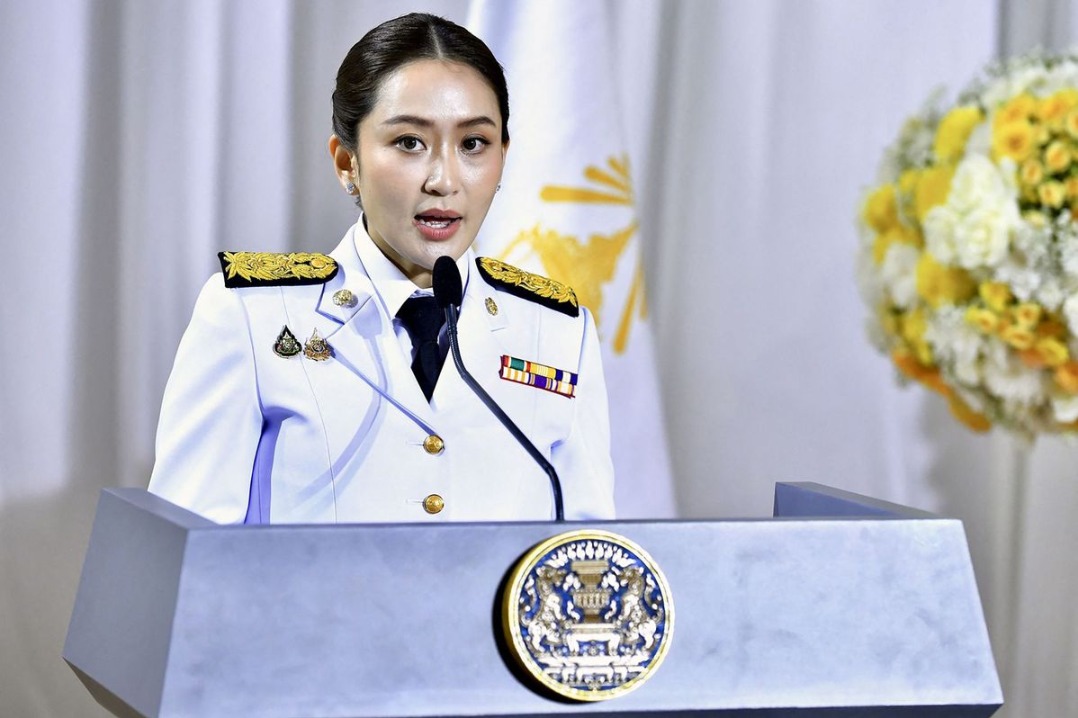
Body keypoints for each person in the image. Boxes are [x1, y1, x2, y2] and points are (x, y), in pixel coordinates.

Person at [147, 13, 615, 524]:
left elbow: (589, 551)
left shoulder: (558, 330)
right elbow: (183, 551)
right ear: (347, 162)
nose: (444, 180)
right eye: (410, 142)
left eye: (473, 144)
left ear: (504, 156)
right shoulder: (250, 317)